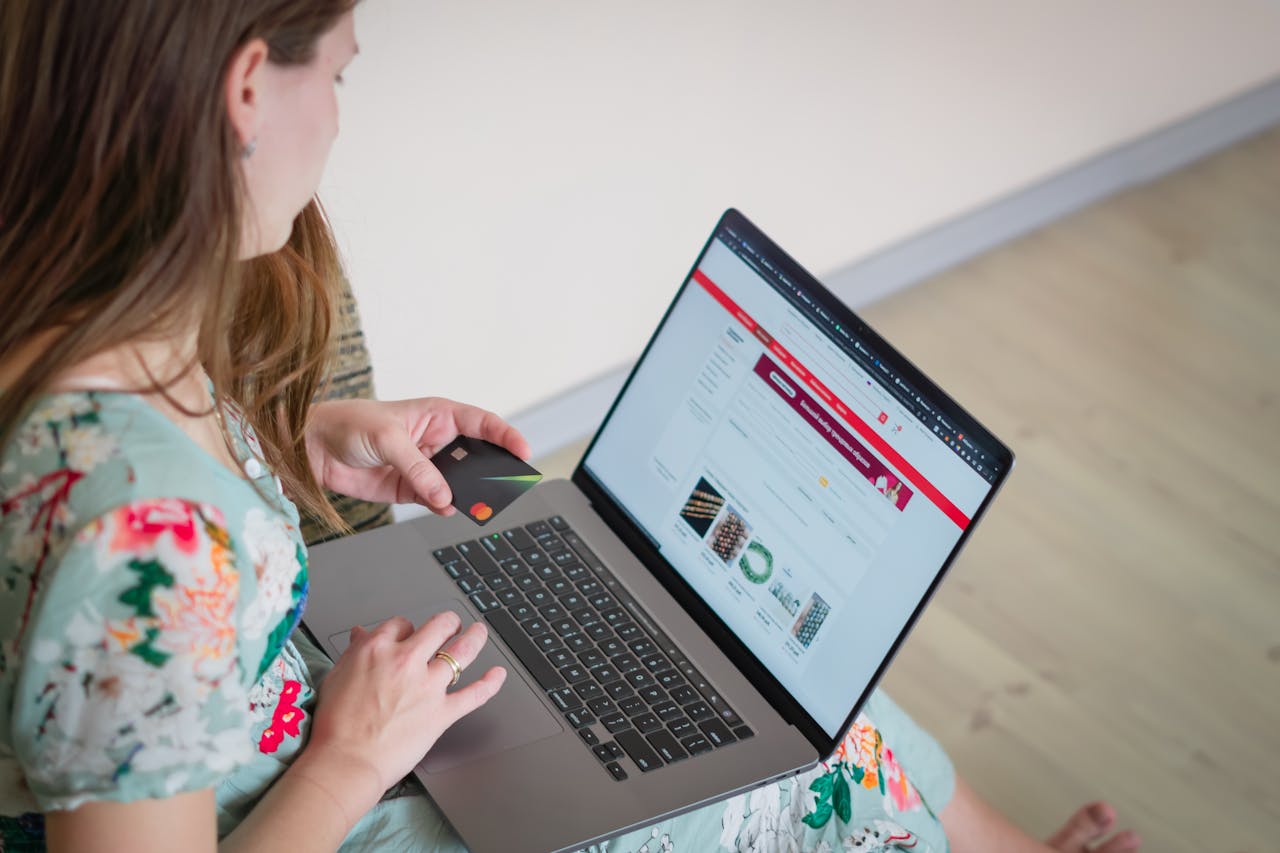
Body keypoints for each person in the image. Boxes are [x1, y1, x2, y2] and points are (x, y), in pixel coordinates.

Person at [0, 3, 1142, 851]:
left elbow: (103, 505)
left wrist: (309, 437)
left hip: (310, 718)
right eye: (339, 73)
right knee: (799, 763)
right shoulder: (150, 534)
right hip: (319, 793)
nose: (339, 115)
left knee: (766, 678)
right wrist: (352, 755)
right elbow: (135, 561)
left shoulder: (88, 335)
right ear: (247, 87)